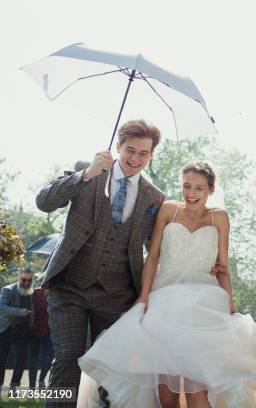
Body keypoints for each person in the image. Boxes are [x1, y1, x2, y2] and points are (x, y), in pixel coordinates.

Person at [76, 161, 256, 407]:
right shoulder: (168, 210)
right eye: (187, 186)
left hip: (204, 302)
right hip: (165, 300)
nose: (191, 193)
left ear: (210, 190)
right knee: (165, 396)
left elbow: (223, 266)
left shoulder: (219, 216)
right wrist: (144, 296)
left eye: (199, 188)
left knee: (196, 390)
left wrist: (229, 301)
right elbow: (153, 256)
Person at [36, 120, 169, 408]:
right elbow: (43, 202)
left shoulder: (155, 198)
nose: (135, 159)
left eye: (143, 154)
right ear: (118, 147)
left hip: (117, 295)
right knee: (68, 361)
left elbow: (156, 250)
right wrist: (86, 174)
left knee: (110, 373)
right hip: (69, 285)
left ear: (151, 155)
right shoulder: (89, 170)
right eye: (129, 150)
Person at [0, 266, 35, 393]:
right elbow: (1, 307)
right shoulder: (7, 290)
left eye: (29, 281)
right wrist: (20, 312)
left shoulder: (32, 293)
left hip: (24, 330)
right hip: (6, 330)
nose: (26, 283)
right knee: (1, 359)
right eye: (23, 280)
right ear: (18, 278)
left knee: (21, 358)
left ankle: (13, 386)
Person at [29, 286, 54, 390]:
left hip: (50, 332)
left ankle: (41, 380)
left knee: (48, 359)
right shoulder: (34, 293)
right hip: (35, 331)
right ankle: (31, 386)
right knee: (33, 360)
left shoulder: (55, 293)